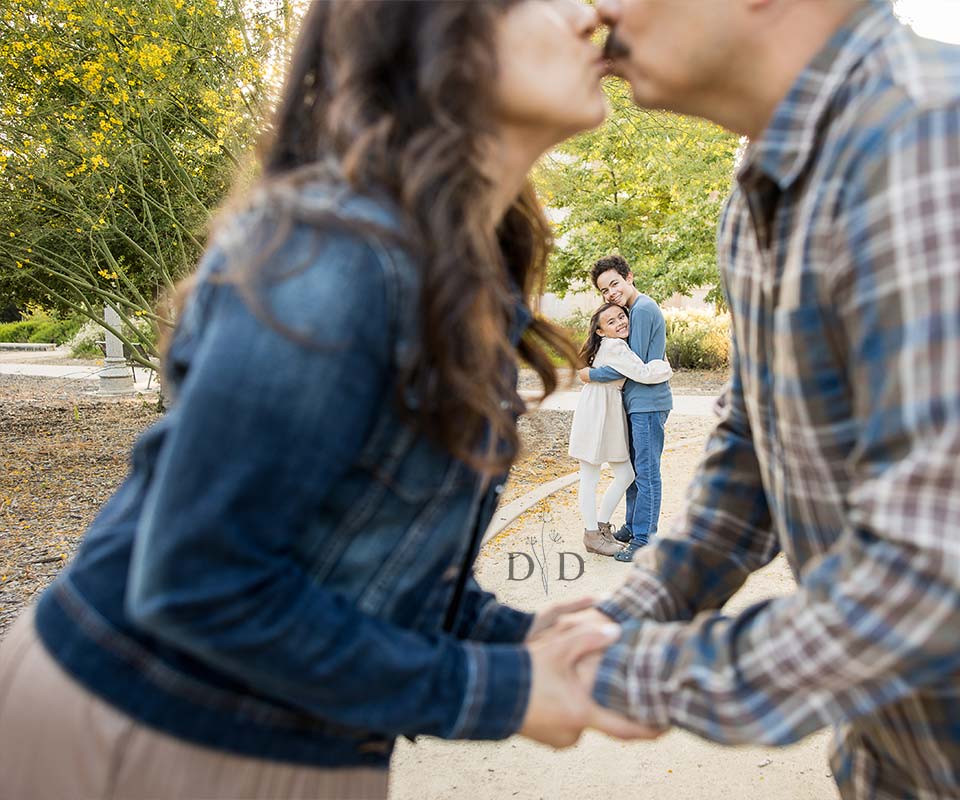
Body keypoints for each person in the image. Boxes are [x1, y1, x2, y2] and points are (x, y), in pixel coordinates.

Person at [0, 1, 657, 797]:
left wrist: (517, 641)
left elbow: (361, 564)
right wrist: (502, 691)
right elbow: (200, 581)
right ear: (439, 35)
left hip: (297, 750)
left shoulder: (458, 266)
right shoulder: (337, 252)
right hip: (147, 732)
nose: (590, 12)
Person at [551, 0, 960, 797]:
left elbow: (942, 564)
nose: (599, 10)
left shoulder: (957, 143)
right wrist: (636, 611)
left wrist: (628, 673)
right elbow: (756, 447)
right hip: (903, 760)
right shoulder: (771, 188)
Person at [578, 254, 673, 562]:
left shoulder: (643, 309)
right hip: (635, 403)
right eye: (604, 290)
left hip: (648, 403)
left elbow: (633, 365)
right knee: (634, 472)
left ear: (629, 276)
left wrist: (590, 374)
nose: (611, 293)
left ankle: (644, 538)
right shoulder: (629, 311)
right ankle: (632, 527)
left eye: (614, 284)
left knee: (646, 474)